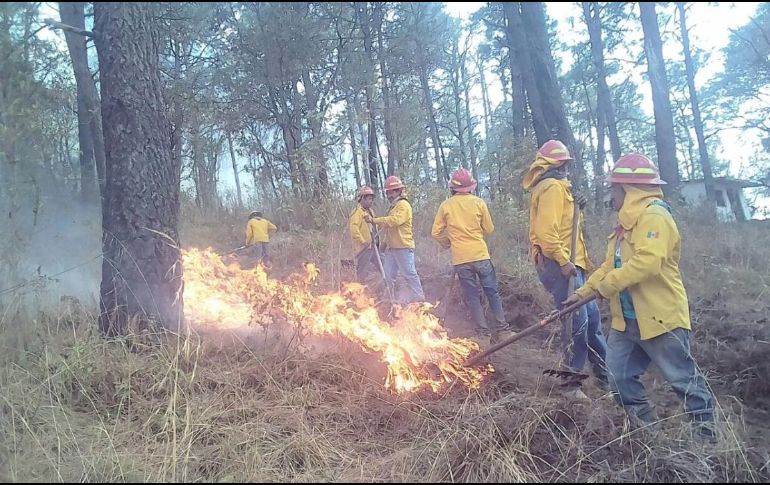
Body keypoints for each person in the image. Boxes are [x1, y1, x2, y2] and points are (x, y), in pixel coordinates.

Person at [564, 153, 716, 439]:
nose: (611, 194)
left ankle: (706, 436)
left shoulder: (655, 217)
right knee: (619, 377)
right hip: (626, 322)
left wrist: (605, 287)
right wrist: (583, 292)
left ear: (629, 190)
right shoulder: (625, 224)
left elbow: (648, 262)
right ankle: (646, 433)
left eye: (614, 188)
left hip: (660, 318)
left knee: (682, 379)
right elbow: (611, 265)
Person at [523, 139, 609, 398]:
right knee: (577, 322)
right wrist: (563, 261)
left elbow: (563, 224)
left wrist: (576, 205)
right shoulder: (550, 187)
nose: (568, 169)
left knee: (592, 320)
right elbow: (547, 233)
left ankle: (606, 376)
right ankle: (571, 383)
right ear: (557, 165)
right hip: (559, 265)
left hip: (573, 265)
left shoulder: (560, 188)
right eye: (565, 164)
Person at [431, 168, 513, 344]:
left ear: (452, 188)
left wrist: (448, 242)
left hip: (461, 259)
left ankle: (483, 334)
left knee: (472, 296)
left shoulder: (446, 206)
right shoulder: (479, 203)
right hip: (481, 255)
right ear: (471, 187)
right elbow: (489, 228)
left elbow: (435, 232)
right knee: (492, 292)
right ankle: (503, 331)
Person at [366, 176, 425, 304]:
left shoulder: (403, 205)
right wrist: (384, 244)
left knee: (409, 274)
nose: (389, 195)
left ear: (399, 191)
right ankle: (389, 300)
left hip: (403, 247)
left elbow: (394, 221)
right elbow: (390, 229)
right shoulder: (394, 207)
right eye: (388, 192)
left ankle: (419, 299)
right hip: (392, 249)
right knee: (387, 275)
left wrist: (374, 221)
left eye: (392, 192)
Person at [349, 186, 376, 283]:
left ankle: (386, 287)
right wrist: (363, 241)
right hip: (363, 249)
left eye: (372, 199)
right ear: (362, 199)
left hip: (374, 247)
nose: (371, 201)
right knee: (362, 272)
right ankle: (360, 292)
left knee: (384, 266)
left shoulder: (371, 212)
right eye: (369, 199)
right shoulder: (357, 212)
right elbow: (354, 229)